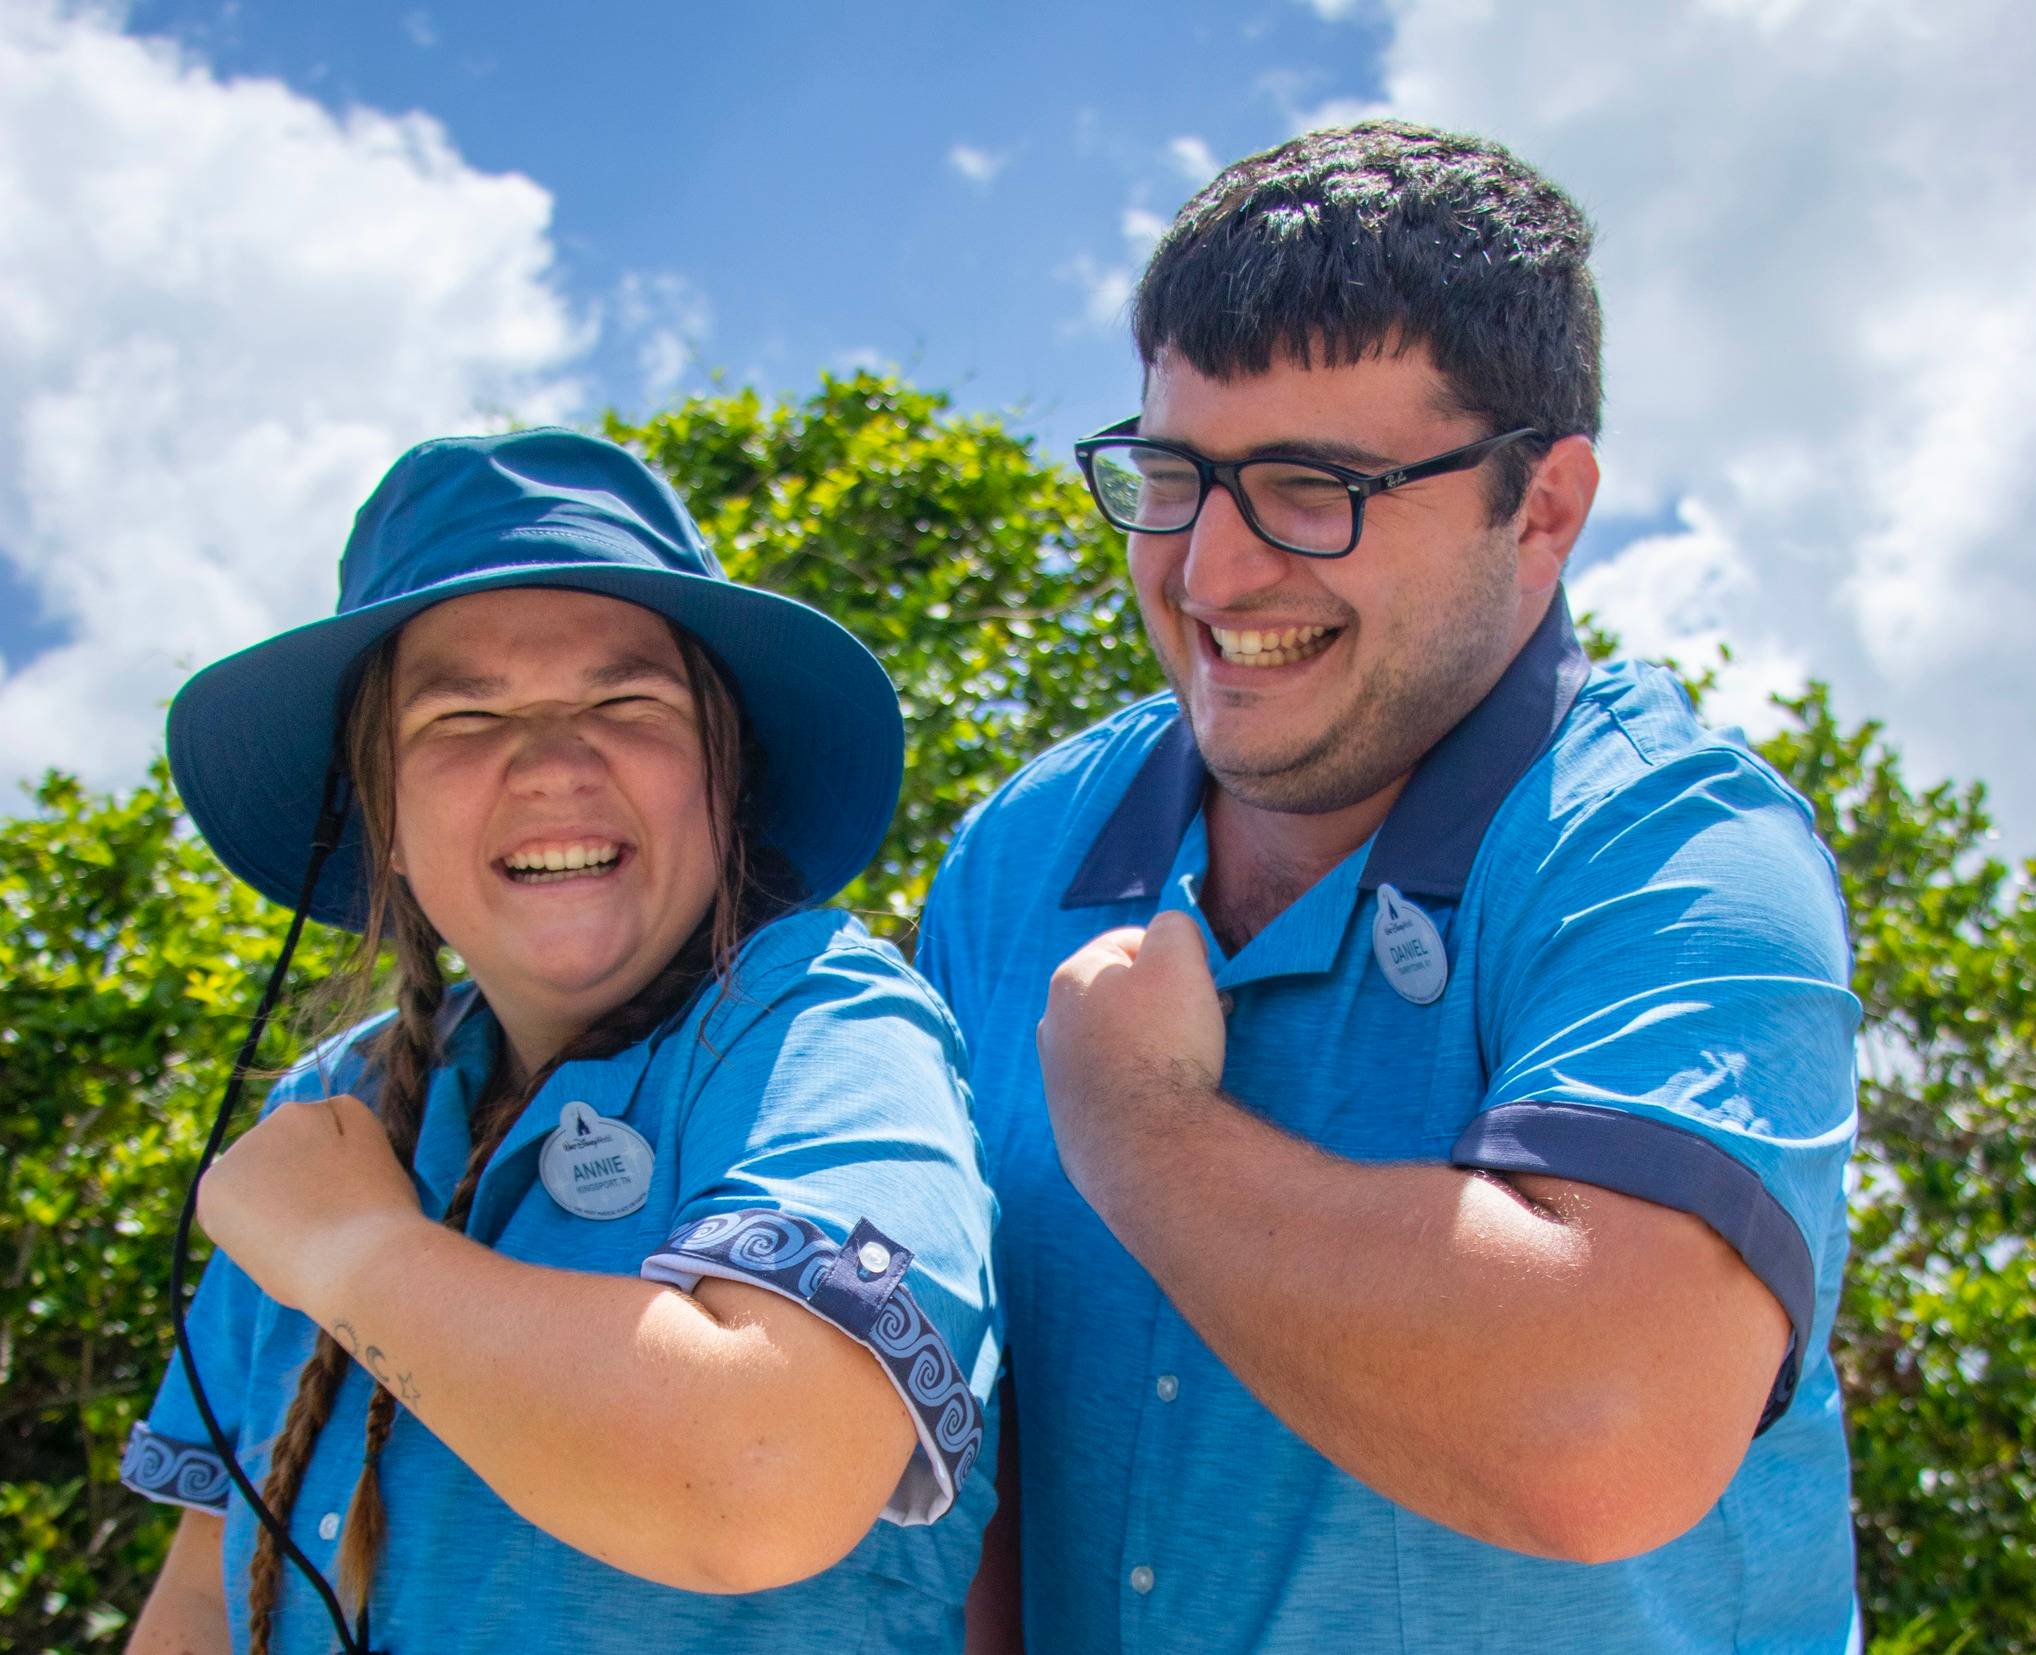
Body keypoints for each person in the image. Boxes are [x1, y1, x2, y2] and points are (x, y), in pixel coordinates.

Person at [921, 121, 1862, 1652]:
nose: (1213, 576)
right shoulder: (1019, 854)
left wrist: (1142, 1132)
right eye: (1174, 475)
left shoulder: (1678, 852)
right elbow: (978, 1431)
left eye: (1315, 486)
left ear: (1542, 508)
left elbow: (1599, 1425)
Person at [121, 429, 1000, 1654]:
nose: (549, 762)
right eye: (462, 715)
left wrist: (351, 1248)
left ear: (722, 770)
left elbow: (763, 1471)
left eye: (623, 699)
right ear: (376, 811)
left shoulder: (825, 1020)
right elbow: (194, 1609)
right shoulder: (333, 1102)